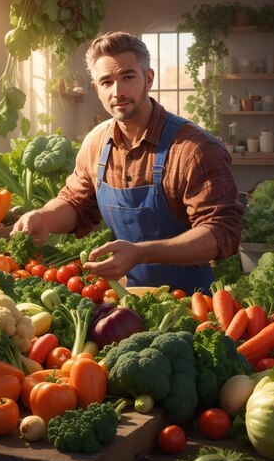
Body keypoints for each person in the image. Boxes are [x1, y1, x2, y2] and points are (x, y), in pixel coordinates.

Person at [12, 31, 243, 294]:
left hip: (191, 302)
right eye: (107, 82)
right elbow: (76, 203)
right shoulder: (95, 143)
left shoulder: (195, 148)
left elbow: (222, 231)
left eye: (128, 77)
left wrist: (141, 253)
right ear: (96, 88)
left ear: (149, 78)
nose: (118, 91)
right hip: (124, 297)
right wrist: (44, 217)